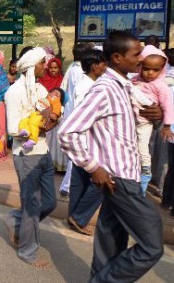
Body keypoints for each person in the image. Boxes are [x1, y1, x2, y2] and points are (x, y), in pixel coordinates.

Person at [59, 31, 164, 282]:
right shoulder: (104, 89)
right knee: (152, 245)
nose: (141, 59)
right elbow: (68, 131)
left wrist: (155, 114)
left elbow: (128, 125)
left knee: (110, 243)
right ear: (117, 57)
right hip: (119, 178)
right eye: (136, 54)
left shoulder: (125, 86)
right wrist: (93, 166)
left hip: (123, 176)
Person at [5, 47, 57, 268]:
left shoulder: (40, 89)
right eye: (42, 64)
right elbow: (12, 129)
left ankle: (16, 221)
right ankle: (28, 252)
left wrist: (50, 120)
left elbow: (52, 114)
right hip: (26, 155)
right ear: (31, 67)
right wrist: (36, 126)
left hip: (44, 152)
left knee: (50, 202)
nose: (45, 67)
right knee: (32, 205)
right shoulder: (14, 93)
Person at [66, 49, 107, 236]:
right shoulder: (88, 87)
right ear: (94, 66)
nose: (105, 67)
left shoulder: (88, 84)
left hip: (82, 140)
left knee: (80, 180)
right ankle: (80, 216)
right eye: (102, 64)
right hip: (87, 141)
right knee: (102, 180)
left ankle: (74, 217)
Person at [131, 44, 174, 195]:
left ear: (162, 70)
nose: (150, 73)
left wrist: (167, 125)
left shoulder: (161, 86)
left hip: (144, 123)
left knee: (143, 148)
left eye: (155, 70)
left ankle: (146, 172)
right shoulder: (134, 80)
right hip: (132, 121)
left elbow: (168, 106)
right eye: (146, 68)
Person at [59, 42, 94, 194]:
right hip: (76, 115)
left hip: (71, 112)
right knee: (78, 152)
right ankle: (67, 186)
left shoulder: (73, 68)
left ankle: (68, 185)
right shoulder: (79, 72)